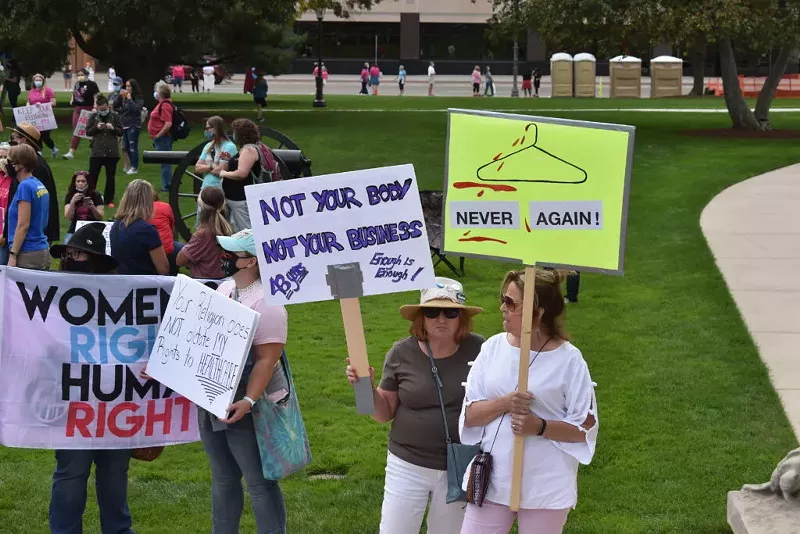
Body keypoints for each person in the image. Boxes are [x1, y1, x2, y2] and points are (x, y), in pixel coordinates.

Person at [458, 270, 599, 534]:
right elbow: (469, 415)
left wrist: (540, 426)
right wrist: (504, 403)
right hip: (493, 480)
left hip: (546, 486)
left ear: (539, 312)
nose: (502, 307)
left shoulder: (570, 360)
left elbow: (584, 429)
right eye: (503, 299)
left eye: (511, 303)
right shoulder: (492, 348)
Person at [346, 278, 484, 534]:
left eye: (450, 312)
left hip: (460, 463)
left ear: (461, 317)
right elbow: (382, 413)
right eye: (432, 312)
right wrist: (364, 387)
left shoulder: (480, 349)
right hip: (407, 462)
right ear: (421, 317)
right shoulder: (401, 352)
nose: (440, 319)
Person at [194, 228, 289, 533]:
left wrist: (248, 401)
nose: (224, 257)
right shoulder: (224, 289)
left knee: (259, 480)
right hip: (213, 397)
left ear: (251, 262)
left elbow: (267, 359)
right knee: (222, 477)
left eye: (232, 254)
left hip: (249, 404)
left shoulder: (269, 302)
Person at [47, 223, 135, 534]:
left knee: (114, 474)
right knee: (72, 472)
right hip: (73, 403)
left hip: (115, 402)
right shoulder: (53, 295)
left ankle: (118, 530)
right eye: (69, 253)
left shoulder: (123, 296)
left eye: (79, 254)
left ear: (97, 259)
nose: (72, 258)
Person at [8, 123, 60, 244]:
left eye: (13, 139)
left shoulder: (34, 167)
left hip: (30, 236)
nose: (10, 143)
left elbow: (33, 203)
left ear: (23, 140)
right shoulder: (33, 163)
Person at [110, 179, 169, 275]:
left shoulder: (116, 225)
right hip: (145, 284)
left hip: (122, 282)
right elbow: (163, 269)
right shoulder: (147, 230)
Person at [5, 144, 50, 269]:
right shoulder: (38, 184)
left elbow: (23, 225)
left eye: (10, 161)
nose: (8, 164)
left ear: (21, 165)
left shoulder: (24, 187)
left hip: (27, 254)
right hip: (41, 249)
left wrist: (13, 254)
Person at [220, 118, 267, 232]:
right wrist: (229, 160)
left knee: (246, 232)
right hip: (236, 198)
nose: (233, 134)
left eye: (235, 132)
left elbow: (242, 173)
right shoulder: (250, 148)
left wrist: (224, 173)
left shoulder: (249, 150)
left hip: (241, 198)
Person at [176, 186, 231, 279]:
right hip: (223, 279)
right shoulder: (227, 227)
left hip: (205, 282)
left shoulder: (202, 234)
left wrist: (192, 263)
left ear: (201, 206)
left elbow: (179, 260)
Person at [86, 94, 123, 208]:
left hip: (111, 151)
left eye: (104, 109)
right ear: (97, 107)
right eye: (100, 109)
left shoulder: (115, 116)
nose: (103, 111)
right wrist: (97, 127)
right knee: (92, 176)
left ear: (108, 106)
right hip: (97, 151)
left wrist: (113, 128)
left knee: (110, 177)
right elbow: (88, 132)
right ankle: (91, 197)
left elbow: (121, 131)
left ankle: (109, 199)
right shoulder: (93, 116)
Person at [63, 67, 100, 160]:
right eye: (78, 75)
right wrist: (72, 100)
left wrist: (95, 107)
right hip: (78, 109)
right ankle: (71, 152)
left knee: (90, 130)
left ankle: (96, 150)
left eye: (82, 75)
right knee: (77, 130)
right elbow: (74, 93)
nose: (80, 77)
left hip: (88, 109)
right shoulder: (77, 84)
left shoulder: (92, 84)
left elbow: (96, 96)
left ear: (86, 75)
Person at [195, 115, 237, 191]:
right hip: (205, 187)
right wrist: (211, 166)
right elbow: (197, 168)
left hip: (221, 189)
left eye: (207, 128)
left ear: (216, 128)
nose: (206, 131)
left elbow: (220, 171)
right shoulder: (208, 146)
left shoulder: (229, 146)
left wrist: (205, 168)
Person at [63, 171, 104, 243]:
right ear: (74, 183)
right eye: (78, 181)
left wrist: (92, 207)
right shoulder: (70, 195)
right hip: (75, 228)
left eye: (83, 181)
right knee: (66, 247)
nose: (80, 184)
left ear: (88, 182)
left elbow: (100, 217)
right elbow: (68, 217)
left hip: (92, 227)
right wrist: (73, 202)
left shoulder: (96, 195)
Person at [149, 188, 182, 275]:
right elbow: (172, 227)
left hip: (147, 252)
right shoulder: (165, 206)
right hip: (167, 250)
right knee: (179, 247)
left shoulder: (136, 210)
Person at [26, 73, 60, 158]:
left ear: (43, 81)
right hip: (35, 117)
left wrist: (42, 105)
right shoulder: (31, 91)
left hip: (45, 116)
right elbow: (29, 101)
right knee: (36, 135)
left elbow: (53, 102)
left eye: (39, 80)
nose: (38, 82)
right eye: (36, 80)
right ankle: (39, 151)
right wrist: (28, 105)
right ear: (33, 82)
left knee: (45, 136)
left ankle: (53, 148)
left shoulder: (48, 90)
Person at [148, 83, 174, 192]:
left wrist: (158, 135)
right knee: (164, 161)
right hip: (160, 138)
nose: (155, 93)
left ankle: (167, 184)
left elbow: (168, 123)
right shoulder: (161, 103)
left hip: (163, 138)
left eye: (157, 90)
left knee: (165, 162)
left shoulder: (165, 105)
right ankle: (167, 182)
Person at [116, 78, 144, 175]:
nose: (127, 88)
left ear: (133, 87)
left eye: (129, 86)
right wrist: (119, 96)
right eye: (126, 86)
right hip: (124, 124)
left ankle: (134, 167)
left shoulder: (137, 97)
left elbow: (136, 110)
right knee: (126, 147)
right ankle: (131, 165)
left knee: (133, 147)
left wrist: (129, 98)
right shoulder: (123, 97)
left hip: (133, 124)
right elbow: (115, 105)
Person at [0, 142, 11, 264]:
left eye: (5, 157)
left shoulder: (15, 179)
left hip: (6, 228)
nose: (2, 160)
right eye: (0, 157)